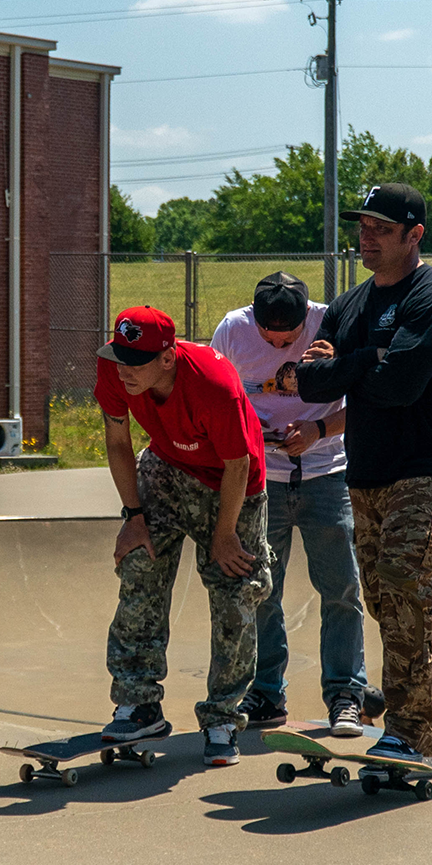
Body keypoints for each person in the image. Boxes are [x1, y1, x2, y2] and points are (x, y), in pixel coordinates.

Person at [296, 183, 432, 765]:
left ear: (414, 235)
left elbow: (400, 386)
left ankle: (407, 729)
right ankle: (431, 733)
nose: (365, 237)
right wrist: (371, 360)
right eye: (361, 226)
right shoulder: (349, 305)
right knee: (390, 604)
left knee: (402, 580)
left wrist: (349, 367)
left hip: (429, 469)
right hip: (365, 474)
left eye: (380, 227)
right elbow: (308, 381)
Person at [95, 305, 272, 766]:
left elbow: (240, 464)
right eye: (119, 357)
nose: (125, 371)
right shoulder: (114, 369)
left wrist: (225, 533)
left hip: (232, 484)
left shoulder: (215, 384)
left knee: (235, 590)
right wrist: (133, 515)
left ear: (168, 358)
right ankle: (139, 704)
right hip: (166, 467)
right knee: (139, 565)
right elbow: (117, 442)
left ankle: (221, 717)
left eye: (137, 363)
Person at [211, 272, 368, 736]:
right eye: (269, 336)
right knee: (262, 589)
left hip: (325, 473)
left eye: (289, 337)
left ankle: (345, 693)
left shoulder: (332, 324)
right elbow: (214, 398)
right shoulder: (232, 330)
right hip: (262, 479)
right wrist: (246, 434)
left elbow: (368, 401)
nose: (279, 344)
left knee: (340, 588)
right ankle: (265, 691)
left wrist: (319, 431)